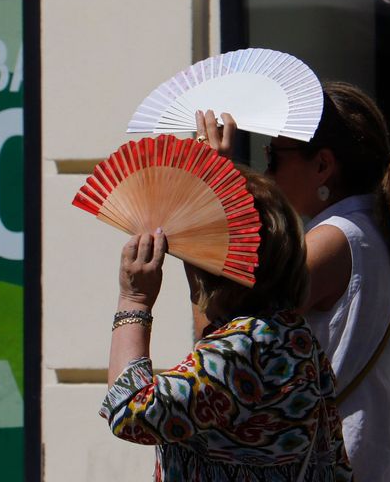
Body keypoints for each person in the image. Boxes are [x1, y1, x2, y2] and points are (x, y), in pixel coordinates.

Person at [197, 81, 390, 481]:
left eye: (273, 157)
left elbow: (227, 343)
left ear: (323, 165)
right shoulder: (376, 230)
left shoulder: (332, 241)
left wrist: (213, 198)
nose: (267, 171)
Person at [101, 170, 353, 481]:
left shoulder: (240, 349)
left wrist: (134, 300)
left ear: (211, 265)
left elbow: (128, 411)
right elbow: (333, 462)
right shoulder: (292, 336)